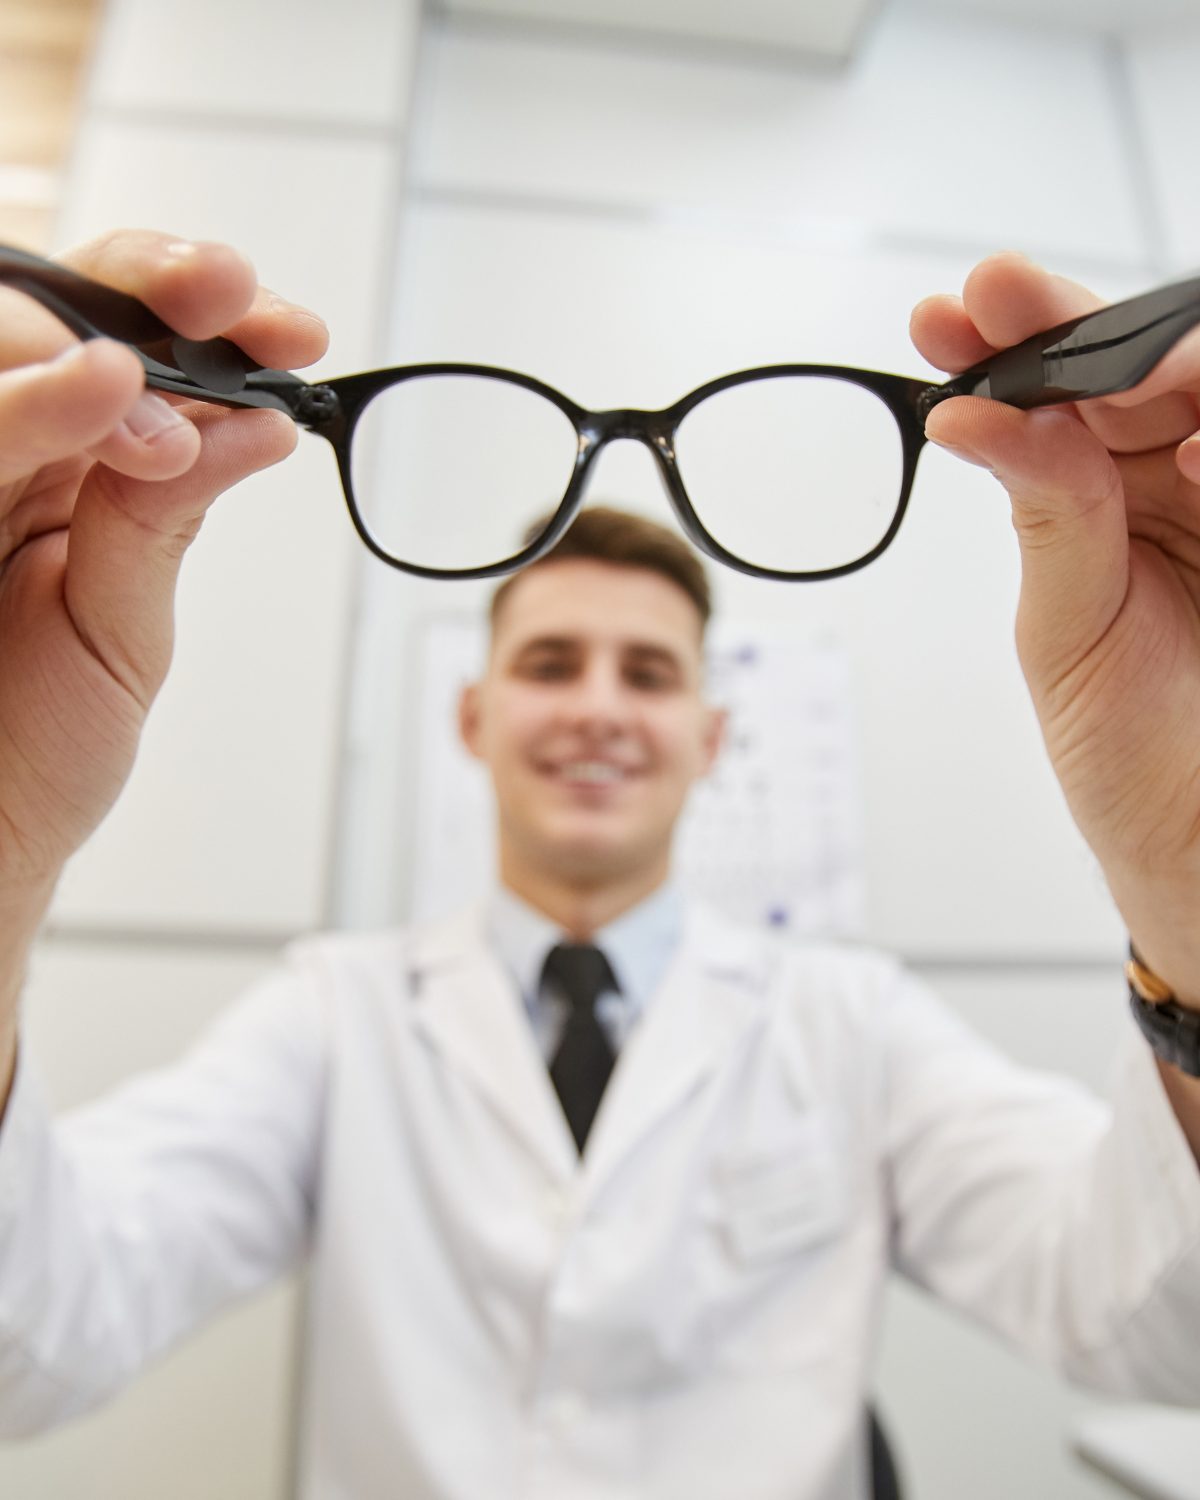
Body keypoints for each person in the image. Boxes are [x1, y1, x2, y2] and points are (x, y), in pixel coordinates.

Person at [1, 230, 1200, 1500]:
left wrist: (1189, 892)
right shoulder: (333, 1018)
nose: (598, 710)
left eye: (647, 673)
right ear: (473, 719)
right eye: (551, 663)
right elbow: (38, 1343)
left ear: (709, 735)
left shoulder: (847, 1023)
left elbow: (1147, 1325)